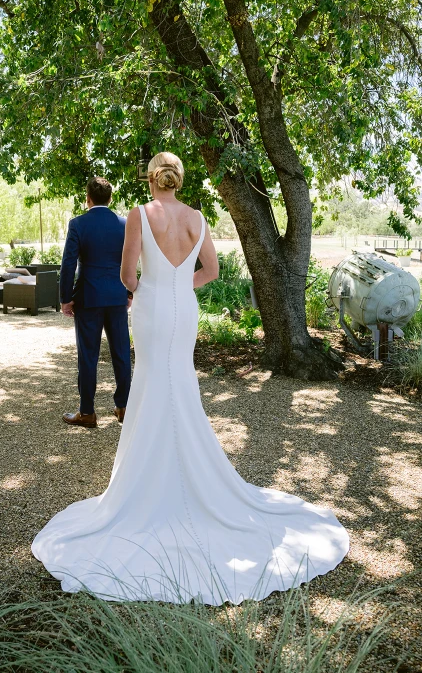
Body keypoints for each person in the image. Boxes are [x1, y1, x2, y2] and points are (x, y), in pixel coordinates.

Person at [32, 153, 349, 603]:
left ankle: (147, 483)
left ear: (150, 179)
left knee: (149, 384)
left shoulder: (140, 214)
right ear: (179, 179)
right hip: (185, 311)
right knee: (180, 383)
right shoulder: (197, 217)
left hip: (152, 308)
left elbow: (127, 276)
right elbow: (213, 271)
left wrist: (151, 289)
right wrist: (181, 286)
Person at [59, 176, 131, 428]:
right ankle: (123, 408)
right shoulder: (124, 223)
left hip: (88, 297)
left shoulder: (78, 224)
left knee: (87, 356)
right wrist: (130, 292)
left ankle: (87, 412)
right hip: (117, 296)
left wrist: (66, 299)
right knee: (121, 353)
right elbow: (133, 260)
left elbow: (68, 263)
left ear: (87, 198)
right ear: (110, 198)